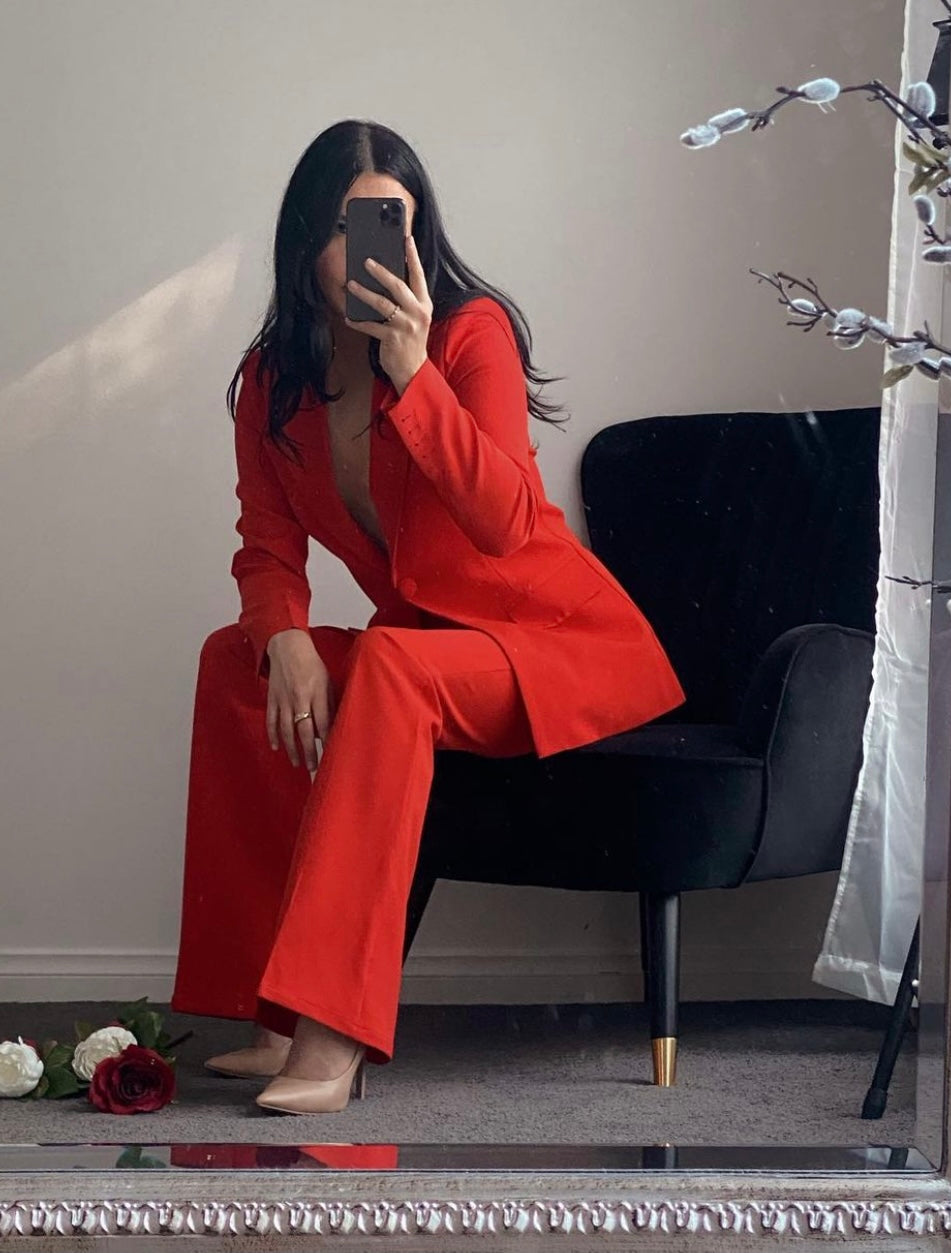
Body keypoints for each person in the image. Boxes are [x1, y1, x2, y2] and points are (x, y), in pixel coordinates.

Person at [169, 119, 686, 1115]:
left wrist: (414, 372)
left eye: (386, 223)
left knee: (397, 663)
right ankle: (266, 1009)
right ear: (302, 244)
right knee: (234, 661)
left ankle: (333, 1030)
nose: (360, 249)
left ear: (418, 234)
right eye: (340, 226)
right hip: (440, 644)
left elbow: (502, 520)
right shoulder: (274, 382)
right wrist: (282, 634)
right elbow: (266, 545)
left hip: (564, 643)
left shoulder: (468, 332)